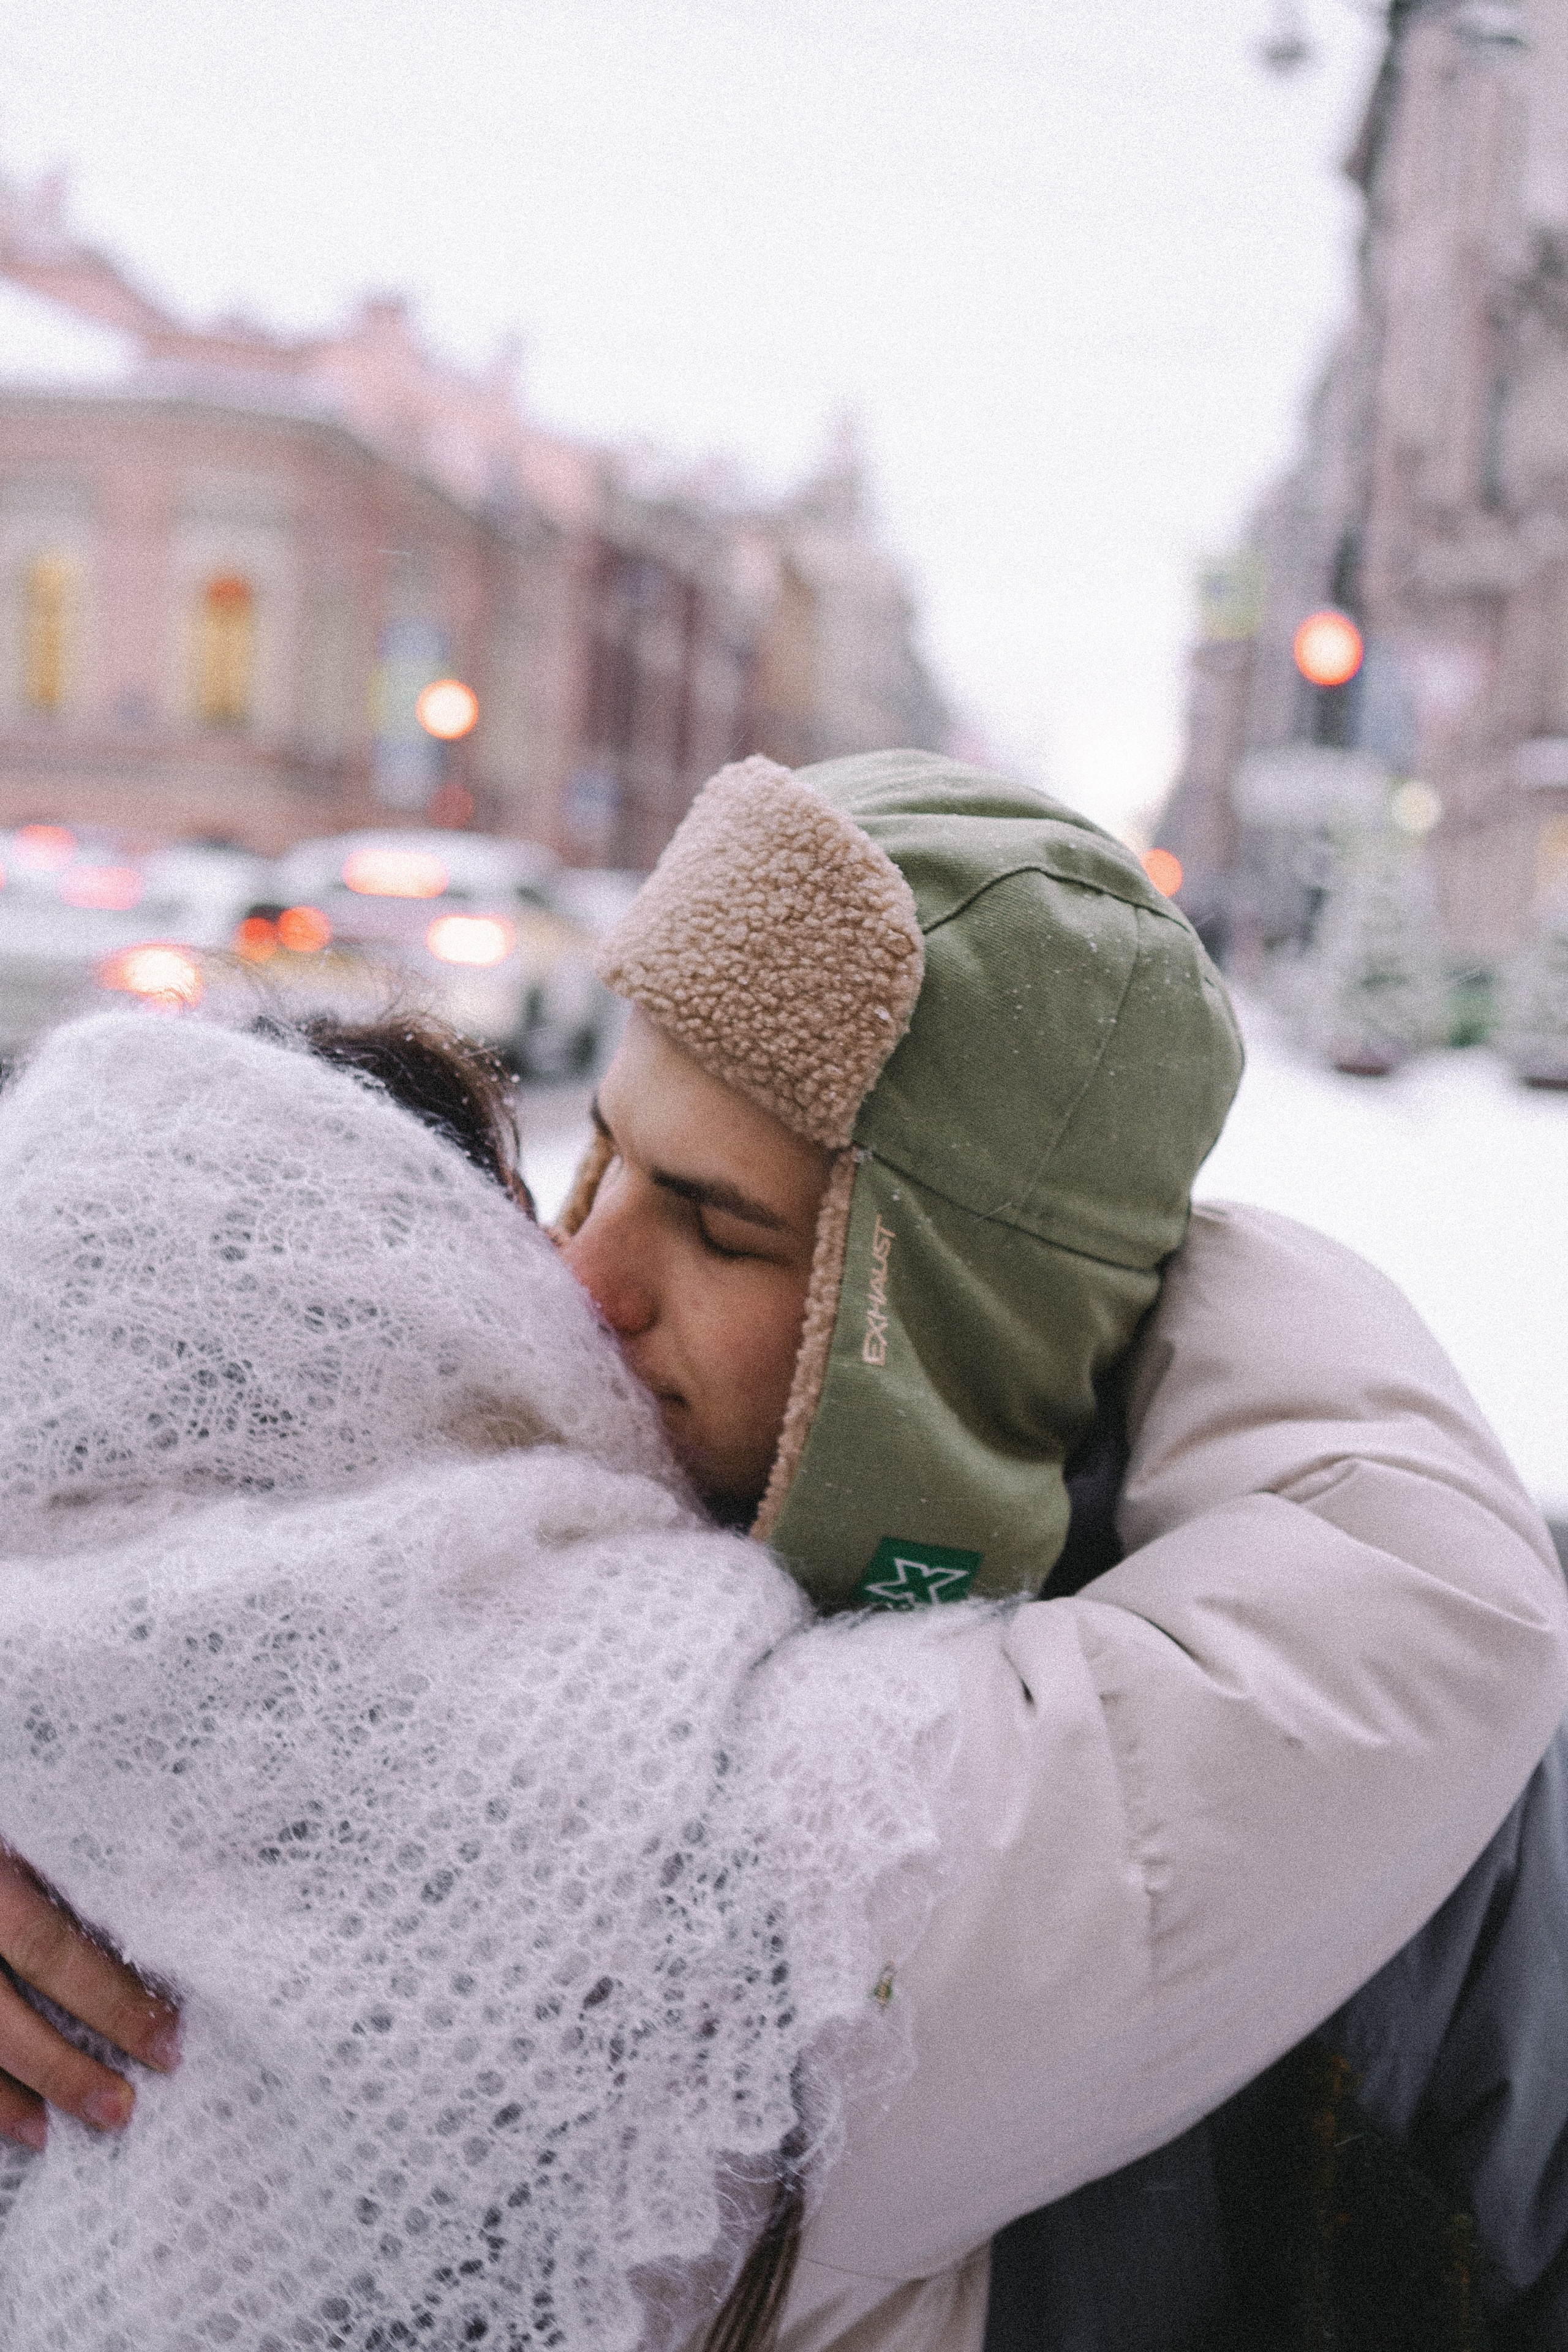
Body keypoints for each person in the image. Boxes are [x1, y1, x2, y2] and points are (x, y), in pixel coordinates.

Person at [2, 750, 1566, 2346]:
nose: (578, 1271)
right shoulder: (424, 1591)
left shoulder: (1364, 1834)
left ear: (939, 1310)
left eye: (716, 1222)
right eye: (597, 1153)